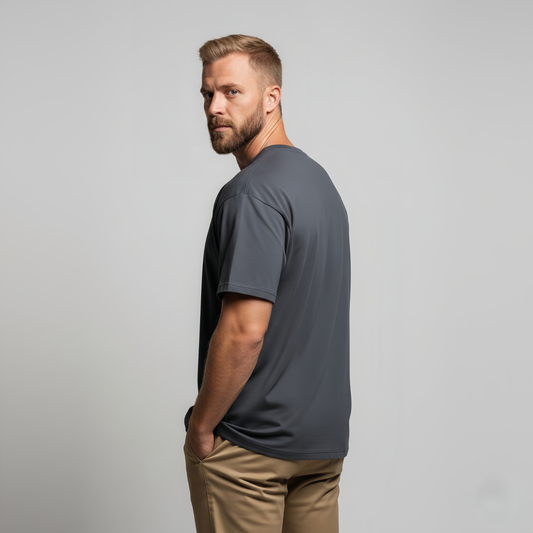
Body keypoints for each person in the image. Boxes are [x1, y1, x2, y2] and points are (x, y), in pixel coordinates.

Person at [184, 34, 351, 533]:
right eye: (208, 94)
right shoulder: (321, 186)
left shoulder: (250, 193)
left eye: (231, 92)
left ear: (271, 97)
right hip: (320, 447)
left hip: (250, 450)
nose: (214, 108)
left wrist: (201, 427)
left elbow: (245, 330)